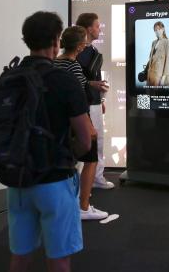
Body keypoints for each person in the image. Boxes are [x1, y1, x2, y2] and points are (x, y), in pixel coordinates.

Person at [7, 11, 93, 272]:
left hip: (18, 181)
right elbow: (86, 139)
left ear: (27, 40)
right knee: (59, 259)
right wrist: (69, 154)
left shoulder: (8, 79)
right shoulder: (64, 81)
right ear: (57, 41)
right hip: (55, 179)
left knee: (19, 256)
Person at [54, 26, 109, 220]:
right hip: (76, 122)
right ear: (79, 46)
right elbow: (77, 98)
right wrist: (88, 125)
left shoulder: (55, 63)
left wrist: (89, 84)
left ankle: (71, 202)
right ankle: (84, 206)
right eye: (84, 41)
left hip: (60, 122)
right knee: (90, 159)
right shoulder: (73, 66)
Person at [76, 13, 114, 190]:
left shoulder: (92, 51)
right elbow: (77, 79)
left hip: (94, 102)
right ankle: (82, 185)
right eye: (97, 26)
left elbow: (92, 78)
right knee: (87, 143)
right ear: (89, 29)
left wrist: (100, 99)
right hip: (84, 105)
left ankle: (96, 178)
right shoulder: (79, 51)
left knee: (98, 141)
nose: (100, 29)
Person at [146, 21, 169, 86]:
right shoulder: (154, 42)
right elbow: (151, 58)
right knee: (148, 94)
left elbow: (168, 62)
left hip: (159, 75)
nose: (157, 31)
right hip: (150, 73)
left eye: (159, 29)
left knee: (157, 94)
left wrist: (165, 77)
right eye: (155, 30)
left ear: (163, 29)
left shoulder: (168, 42)